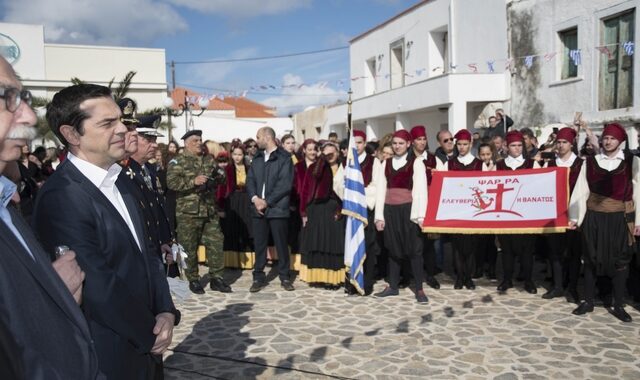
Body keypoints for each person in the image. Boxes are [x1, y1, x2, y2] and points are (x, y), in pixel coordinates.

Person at [33, 84, 179, 379]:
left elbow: (147, 252)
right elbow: (98, 285)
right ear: (72, 135)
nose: (123, 129)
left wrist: (166, 311)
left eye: (120, 120)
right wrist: (150, 334)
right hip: (108, 355)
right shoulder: (61, 196)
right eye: (107, 123)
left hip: (147, 345)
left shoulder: (121, 180)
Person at [0, 57, 104, 379]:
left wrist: (50, 289)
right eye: (7, 98)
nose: (29, 116)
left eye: (25, 99)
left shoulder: (6, 206)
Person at [569, 123, 639, 322]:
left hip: (619, 218)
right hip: (594, 217)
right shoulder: (590, 162)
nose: (608, 142)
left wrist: (638, 221)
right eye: (606, 138)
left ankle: (618, 304)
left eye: (613, 138)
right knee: (590, 258)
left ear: (621, 141)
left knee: (620, 261)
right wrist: (575, 218)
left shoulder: (631, 161)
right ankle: (588, 301)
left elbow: (639, 193)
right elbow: (581, 191)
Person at [167, 129, 230, 294]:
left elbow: (221, 179)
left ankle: (217, 278)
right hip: (188, 212)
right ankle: (193, 279)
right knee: (189, 247)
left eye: (200, 139)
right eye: (195, 140)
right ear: (187, 143)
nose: (199, 142)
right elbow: (171, 183)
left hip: (209, 210)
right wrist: (192, 181)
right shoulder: (177, 161)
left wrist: (219, 175)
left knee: (216, 243)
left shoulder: (208, 160)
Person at [374, 129, 429, 303]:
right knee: (393, 248)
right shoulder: (386, 163)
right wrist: (379, 216)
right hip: (390, 210)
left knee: (414, 250)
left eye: (401, 143)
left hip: (408, 210)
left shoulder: (416, 163)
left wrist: (420, 216)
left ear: (408, 144)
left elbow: (420, 191)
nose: (397, 146)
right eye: (395, 143)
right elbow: (381, 190)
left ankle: (419, 288)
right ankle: (393, 286)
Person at [247, 126, 295, 292]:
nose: (256, 140)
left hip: (278, 209)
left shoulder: (285, 158)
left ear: (267, 137)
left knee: (281, 244)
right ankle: (258, 276)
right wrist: (255, 199)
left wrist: (266, 202)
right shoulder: (257, 158)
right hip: (257, 209)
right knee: (259, 245)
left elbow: (284, 185)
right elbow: (250, 180)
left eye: (258, 137)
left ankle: (284, 276)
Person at [495, 130, 541, 294]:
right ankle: (507, 279)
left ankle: (528, 280)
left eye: (519, 145)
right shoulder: (499, 165)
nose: (517, 149)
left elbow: (537, 187)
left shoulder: (531, 164)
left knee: (527, 250)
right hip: (505, 213)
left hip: (526, 212)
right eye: (513, 145)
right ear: (507, 147)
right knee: (506, 249)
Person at [441, 130, 485, 289]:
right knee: (457, 246)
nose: (461, 147)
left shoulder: (479, 164)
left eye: (465, 144)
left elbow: (485, 186)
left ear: (471, 144)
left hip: (474, 210)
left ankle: (469, 277)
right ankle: (459, 276)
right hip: (456, 209)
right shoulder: (449, 163)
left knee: (472, 246)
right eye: (459, 144)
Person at [542, 127, 582, 301]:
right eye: (558, 142)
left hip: (573, 213)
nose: (561, 145)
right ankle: (558, 285)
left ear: (571, 144)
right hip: (554, 213)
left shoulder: (580, 163)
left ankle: (572, 287)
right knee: (555, 251)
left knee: (573, 252)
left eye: (564, 142)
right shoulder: (551, 164)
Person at [299, 142, 345, 287]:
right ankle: (318, 277)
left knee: (333, 244)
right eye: (326, 154)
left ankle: (333, 279)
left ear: (338, 153)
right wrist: (303, 211)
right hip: (316, 210)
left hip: (335, 210)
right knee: (318, 243)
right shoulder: (315, 168)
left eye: (332, 153)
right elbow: (305, 190)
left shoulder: (345, 168)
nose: (329, 156)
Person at [409, 125, 441, 289]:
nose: (421, 142)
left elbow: (443, 178)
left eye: (423, 139)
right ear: (412, 141)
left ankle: (430, 274)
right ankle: (411, 274)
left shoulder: (433, 159)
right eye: (418, 139)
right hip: (410, 204)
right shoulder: (407, 158)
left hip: (428, 204)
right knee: (413, 243)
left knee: (429, 244)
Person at [218, 142, 255, 269]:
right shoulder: (227, 169)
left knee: (247, 227)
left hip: (246, 199)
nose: (237, 157)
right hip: (232, 200)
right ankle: (232, 260)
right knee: (232, 228)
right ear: (231, 155)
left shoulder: (249, 168)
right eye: (235, 154)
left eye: (240, 154)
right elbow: (222, 189)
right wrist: (221, 206)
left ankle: (248, 259)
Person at [291, 138, 318, 271]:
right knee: (300, 234)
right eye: (310, 150)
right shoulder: (298, 166)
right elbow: (294, 185)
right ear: (304, 150)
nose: (313, 152)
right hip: (298, 204)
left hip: (315, 205)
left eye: (314, 149)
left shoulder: (320, 164)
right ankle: (299, 263)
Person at [475, 143, 498, 279]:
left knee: (491, 241)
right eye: (482, 154)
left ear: (492, 154)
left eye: (487, 154)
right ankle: (479, 267)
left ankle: (492, 268)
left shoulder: (497, 166)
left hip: (493, 206)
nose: (485, 157)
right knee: (479, 241)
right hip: (479, 206)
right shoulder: (476, 166)